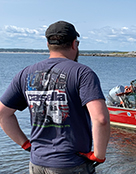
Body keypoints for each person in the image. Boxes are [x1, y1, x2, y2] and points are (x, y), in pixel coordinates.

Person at [0, 21, 110, 174]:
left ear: (47, 44)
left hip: (36, 164)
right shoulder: (83, 73)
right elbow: (100, 119)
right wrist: (99, 155)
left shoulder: (25, 74)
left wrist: (25, 144)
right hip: (71, 164)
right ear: (74, 44)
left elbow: (3, 114)